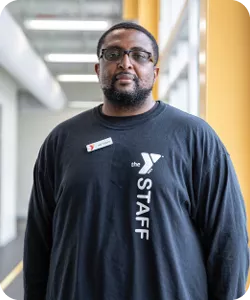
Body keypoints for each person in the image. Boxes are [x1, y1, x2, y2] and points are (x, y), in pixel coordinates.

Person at [23, 22, 249, 300]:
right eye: (113, 54)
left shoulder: (194, 136)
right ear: (99, 69)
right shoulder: (62, 140)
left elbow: (228, 237)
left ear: (154, 73)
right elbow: (38, 240)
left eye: (139, 55)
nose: (125, 63)